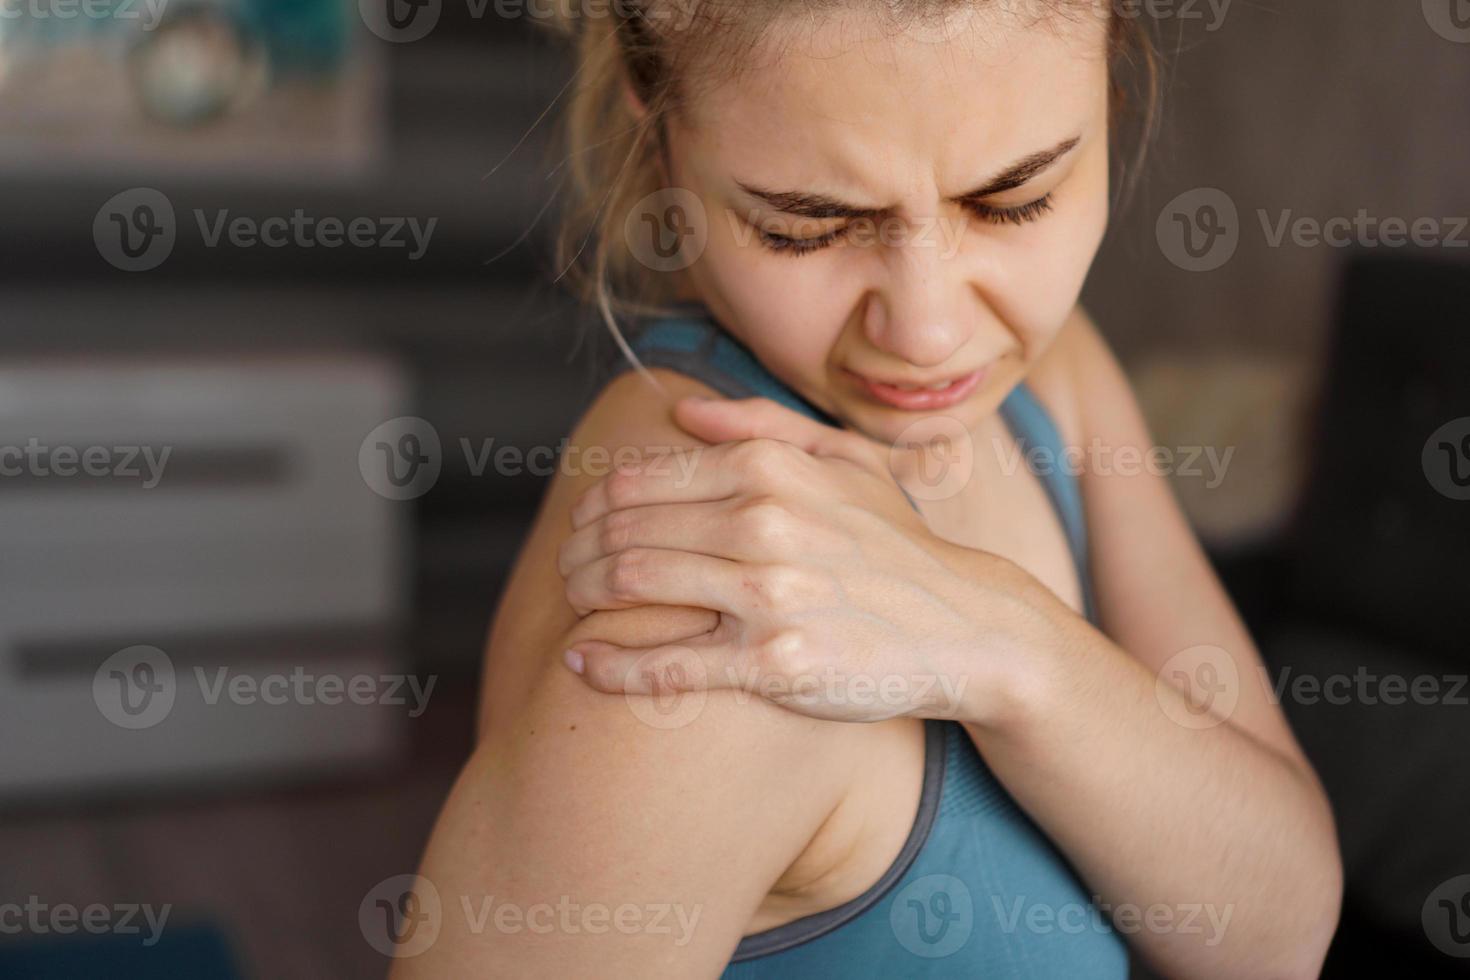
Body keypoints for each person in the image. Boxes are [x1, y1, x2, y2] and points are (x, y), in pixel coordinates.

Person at [397, 2, 1343, 976]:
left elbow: (1279, 928)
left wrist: (1005, 640)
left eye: (1016, 199)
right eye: (807, 226)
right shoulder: (705, 606)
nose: (930, 333)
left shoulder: (1055, 377)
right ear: (653, 99)